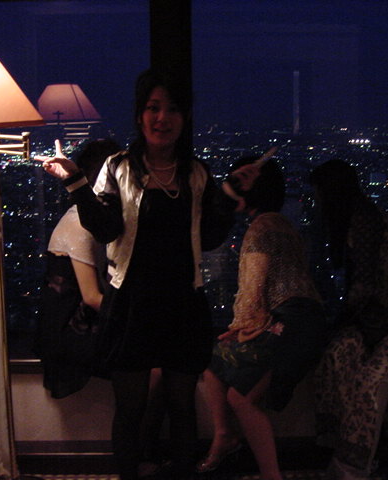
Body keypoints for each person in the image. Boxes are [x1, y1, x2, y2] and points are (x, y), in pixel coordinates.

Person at [35, 69, 259, 480]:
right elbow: (105, 229)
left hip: (182, 305)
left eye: (172, 109)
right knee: (130, 409)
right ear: (140, 115)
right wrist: (75, 182)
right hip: (131, 307)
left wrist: (229, 194)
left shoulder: (196, 173)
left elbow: (210, 237)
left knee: (182, 408)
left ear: (184, 117)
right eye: (153, 108)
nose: (162, 118)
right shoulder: (118, 168)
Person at [196, 154, 331, 480]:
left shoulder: (261, 228)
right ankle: (225, 436)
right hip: (306, 320)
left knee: (240, 398)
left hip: (291, 321)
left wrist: (242, 328)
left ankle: (269, 472)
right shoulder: (283, 224)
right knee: (214, 361)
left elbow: (253, 287)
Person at [309, 159, 388, 480]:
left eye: (319, 195)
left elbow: (365, 287)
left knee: (366, 391)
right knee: (342, 362)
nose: (317, 203)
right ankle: (359, 464)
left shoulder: (362, 223)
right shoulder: (366, 219)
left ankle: (352, 467)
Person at [35, 138, 120, 399]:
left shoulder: (86, 216)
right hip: (70, 330)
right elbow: (92, 297)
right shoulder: (80, 224)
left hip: (75, 323)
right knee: (148, 366)